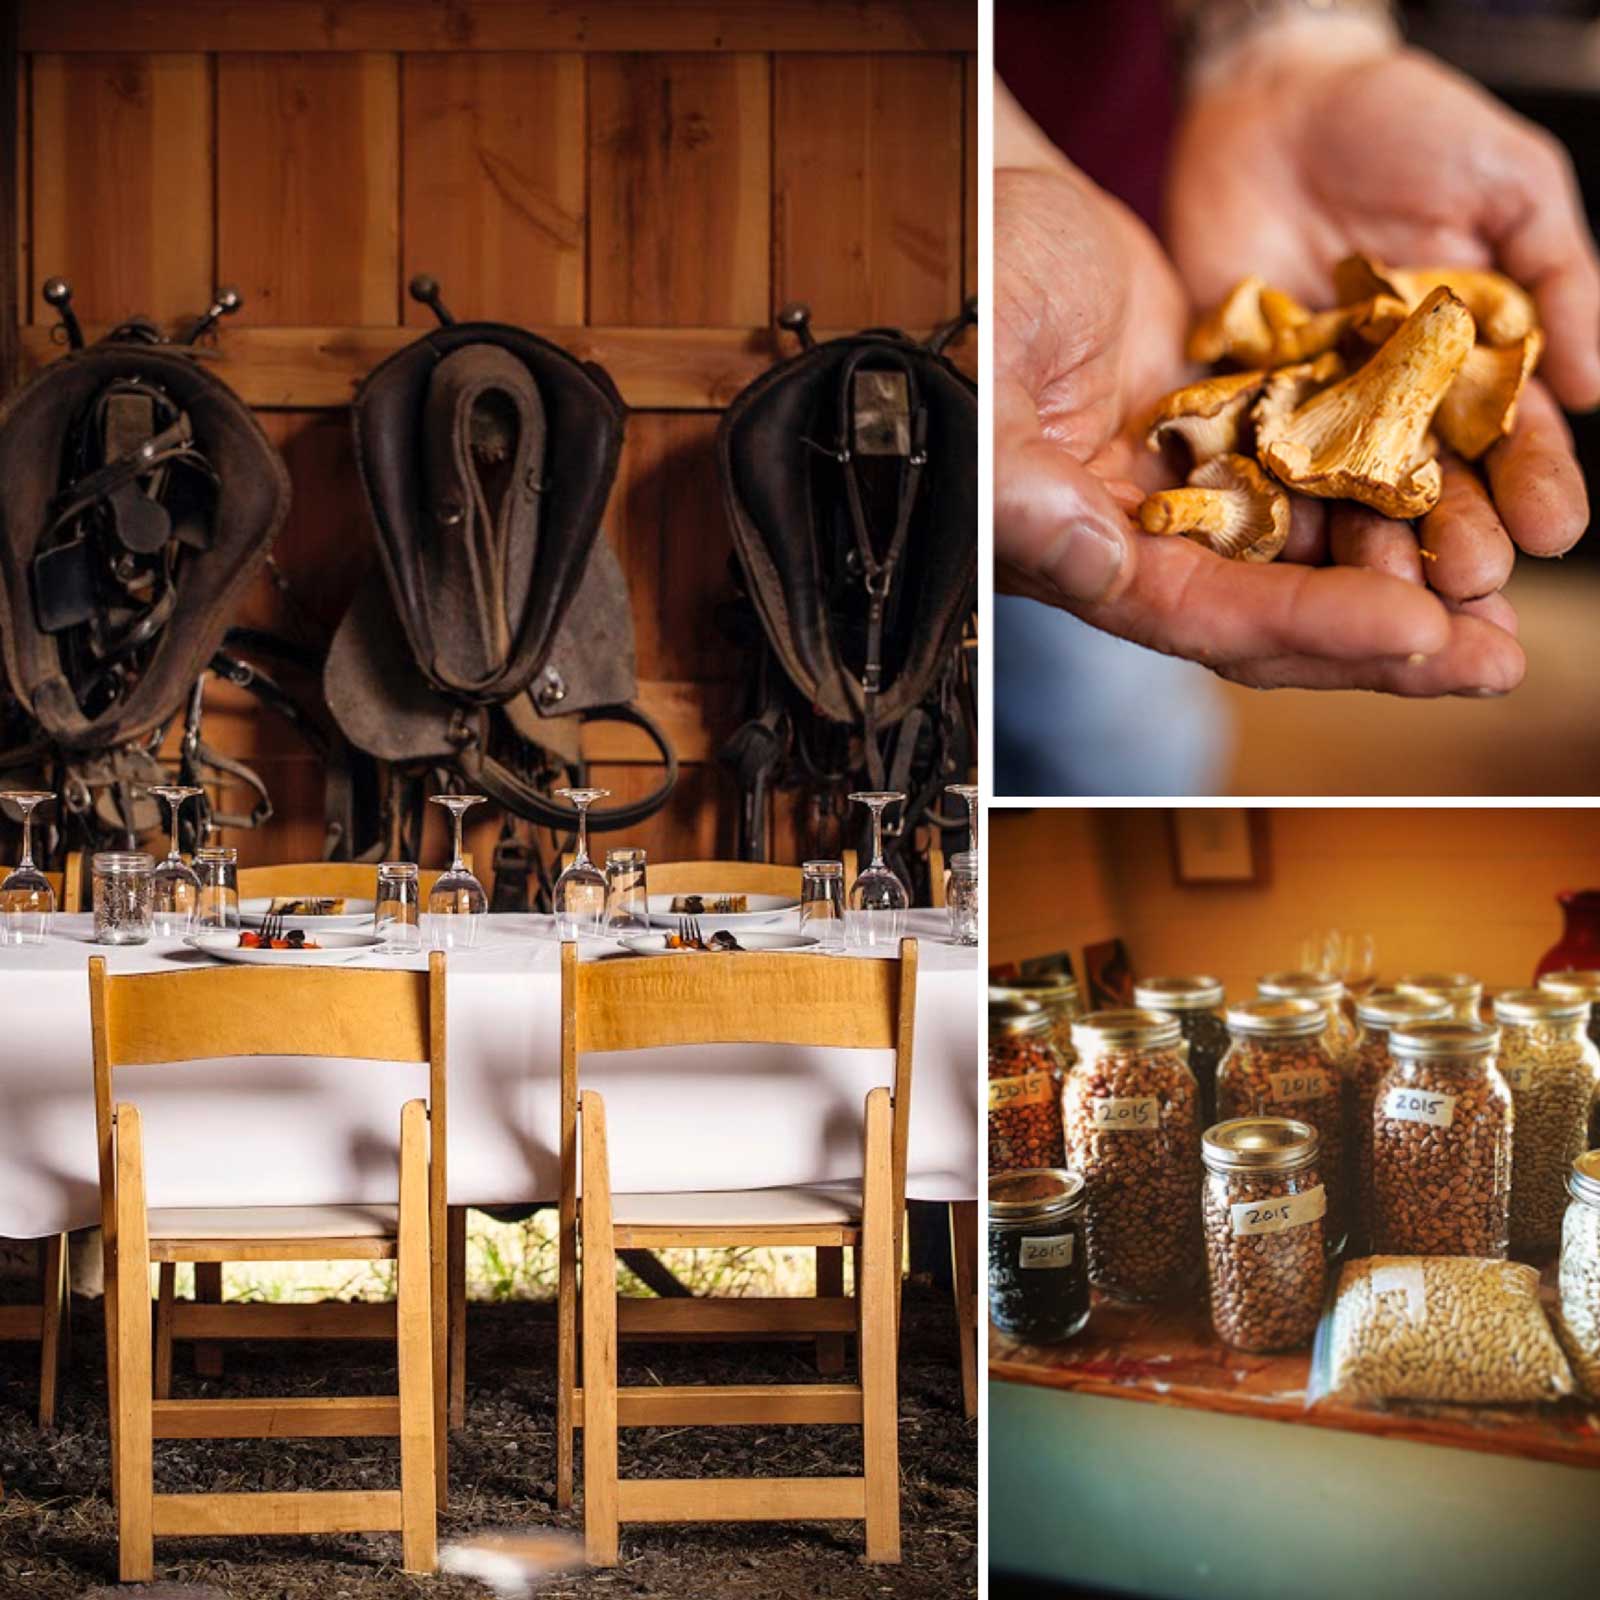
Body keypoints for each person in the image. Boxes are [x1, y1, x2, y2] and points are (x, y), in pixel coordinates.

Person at [996, 1, 1595, 790]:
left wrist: (1287, 39)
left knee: (1115, 733)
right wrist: (994, 158)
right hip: (1077, 329)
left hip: (1156, 162)